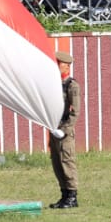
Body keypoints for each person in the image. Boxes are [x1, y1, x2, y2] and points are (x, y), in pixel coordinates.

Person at [49, 50, 81, 209]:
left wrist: (66, 129)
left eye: (59, 64)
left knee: (67, 162)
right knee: (57, 163)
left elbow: (75, 111)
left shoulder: (72, 85)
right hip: (54, 127)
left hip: (64, 130)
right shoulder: (54, 84)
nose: (56, 67)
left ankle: (72, 196)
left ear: (66, 67)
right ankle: (64, 195)